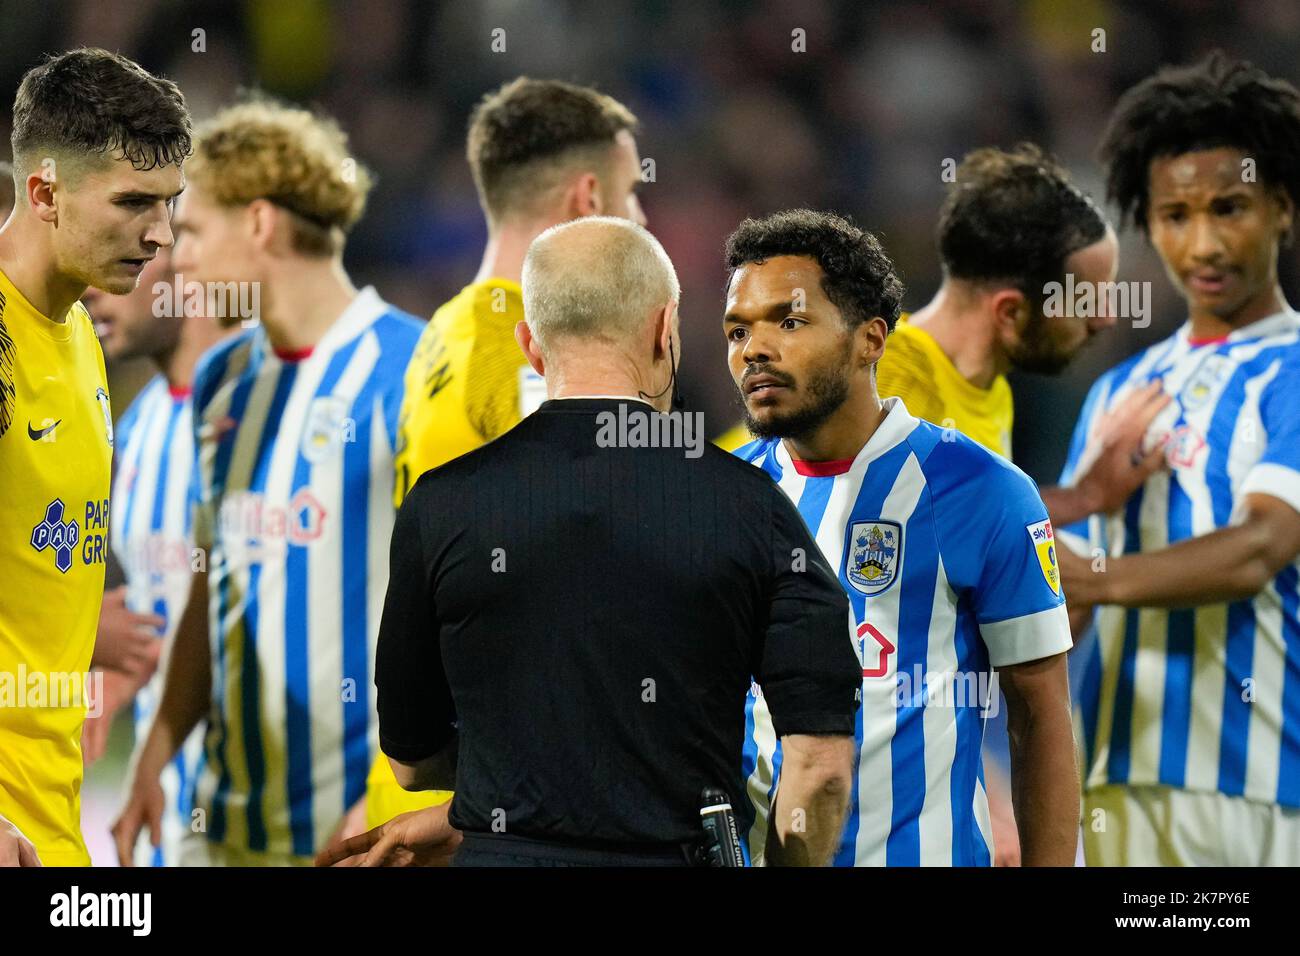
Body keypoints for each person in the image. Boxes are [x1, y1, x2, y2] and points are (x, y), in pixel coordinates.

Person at [362, 217, 860, 867]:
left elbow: (408, 758)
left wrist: (526, 786)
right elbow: (820, 764)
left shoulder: (442, 505)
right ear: (664, 331)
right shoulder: (752, 506)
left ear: (530, 347)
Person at [111, 98, 423, 866]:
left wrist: (402, 790)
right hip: (223, 827)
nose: (175, 259)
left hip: (358, 832)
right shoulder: (223, 380)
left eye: (190, 232)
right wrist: (155, 752)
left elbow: (466, 615)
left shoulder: (409, 371)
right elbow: (212, 581)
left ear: (258, 223)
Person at [724, 209, 1079, 866]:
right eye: (738, 329)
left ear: (870, 340)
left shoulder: (979, 490)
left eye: (790, 321)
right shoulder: (723, 494)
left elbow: (1040, 716)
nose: (755, 348)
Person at [369, 76, 648, 828]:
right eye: (632, 197)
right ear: (588, 199)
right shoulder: (529, 362)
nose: (643, 220)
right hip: (503, 795)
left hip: (443, 772)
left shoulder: (445, 332)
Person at [876, 144, 1163, 863]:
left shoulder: (989, 392)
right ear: (1011, 310)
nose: (1103, 322)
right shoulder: (886, 388)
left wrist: (1083, 496)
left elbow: (974, 537)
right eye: (1086, 301)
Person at [1058, 52, 1300, 866]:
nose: (1202, 242)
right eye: (1174, 215)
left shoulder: (1293, 370)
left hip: (1263, 787)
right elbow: (1063, 603)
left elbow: (1261, 547)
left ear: (1284, 210)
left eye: (1230, 207)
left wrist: (1091, 578)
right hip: (1110, 783)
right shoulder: (1118, 391)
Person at [0, 48, 190, 867]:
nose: (161, 235)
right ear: (44, 192)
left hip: (50, 820)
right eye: (134, 202)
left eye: (171, 204)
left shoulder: (81, 330)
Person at [79, 246, 230, 864]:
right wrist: (127, 663)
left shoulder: (273, 412)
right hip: (170, 818)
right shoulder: (137, 424)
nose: (89, 288)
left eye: (130, 249)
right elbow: (172, 595)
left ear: (191, 257)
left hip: (280, 814)